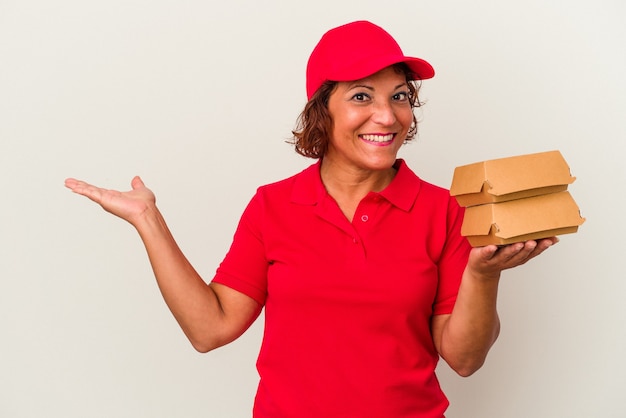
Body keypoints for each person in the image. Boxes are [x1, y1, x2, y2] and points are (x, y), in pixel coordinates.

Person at [65, 20, 558, 418]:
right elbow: (210, 329)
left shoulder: (443, 210)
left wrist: (482, 273)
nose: (387, 116)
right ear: (321, 111)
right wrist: (149, 220)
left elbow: (465, 360)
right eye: (362, 96)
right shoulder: (273, 206)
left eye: (400, 95)